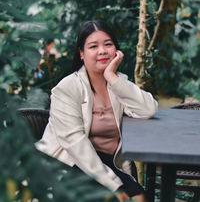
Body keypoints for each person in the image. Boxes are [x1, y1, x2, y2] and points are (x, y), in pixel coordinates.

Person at [36, 20, 158, 201]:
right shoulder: (67, 88)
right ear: (82, 54)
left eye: (108, 44)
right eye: (93, 46)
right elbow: (75, 144)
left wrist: (111, 77)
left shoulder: (118, 83)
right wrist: (113, 185)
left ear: (116, 50)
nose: (102, 51)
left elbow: (148, 109)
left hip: (107, 161)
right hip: (68, 162)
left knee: (140, 197)